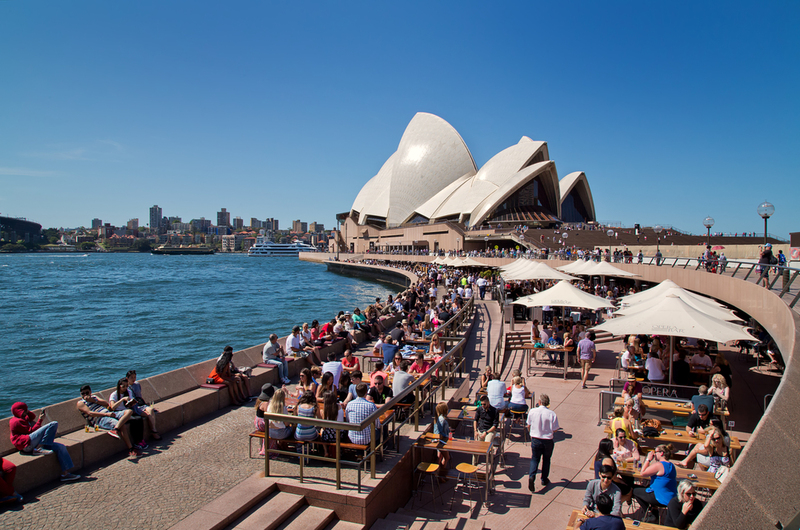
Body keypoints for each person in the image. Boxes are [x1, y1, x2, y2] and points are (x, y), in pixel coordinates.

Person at [9, 402, 80, 482]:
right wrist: (40, 420)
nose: (26, 412)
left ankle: (65, 474)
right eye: (24, 410)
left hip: (34, 443)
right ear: (19, 411)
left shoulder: (24, 418)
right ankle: (39, 449)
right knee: (53, 424)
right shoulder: (15, 421)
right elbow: (31, 431)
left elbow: (32, 417)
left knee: (61, 447)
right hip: (27, 445)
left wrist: (27, 411)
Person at [76, 385, 138, 458]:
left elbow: (106, 404)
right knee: (122, 425)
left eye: (87, 393)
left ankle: (115, 429)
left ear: (90, 392)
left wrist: (94, 401)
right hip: (101, 419)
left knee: (129, 411)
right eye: (83, 394)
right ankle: (131, 449)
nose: (85, 395)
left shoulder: (94, 397)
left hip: (110, 414)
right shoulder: (81, 403)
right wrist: (106, 414)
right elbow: (90, 413)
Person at [633, 444, 678, 522]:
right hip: (670, 497)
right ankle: (654, 510)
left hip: (659, 497)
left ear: (661, 453)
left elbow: (642, 473)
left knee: (635, 491)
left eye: (655, 452)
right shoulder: (671, 465)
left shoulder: (659, 465)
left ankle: (651, 513)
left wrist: (648, 459)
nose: (654, 454)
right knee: (646, 488)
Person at [526, 394, 559, 492]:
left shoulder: (532, 411)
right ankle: (544, 479)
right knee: (546, 460)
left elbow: (528, 424)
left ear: (539, 402)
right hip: (548, 441)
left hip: (536, 439)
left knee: (535, 459)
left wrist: (531, 434)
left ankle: (532, 476)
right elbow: (555, 429)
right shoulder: (552, 414)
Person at [109, 378, 147, 450]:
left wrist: (131, 403)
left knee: (139, 419)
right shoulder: (114, 394)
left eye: (126, 386)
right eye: (123, 386)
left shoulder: (128, 392)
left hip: (127, 411)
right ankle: (136, 441)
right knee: (134, 421)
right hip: (118, 412)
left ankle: (140, 440)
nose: (125, 388)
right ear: (119, 386)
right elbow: (112, 407)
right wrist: (122, 400)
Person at [125, 370, 161, 440]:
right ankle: (154, 432)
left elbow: (139, 396)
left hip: (141, 404)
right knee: (149, 415)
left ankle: (153, 430)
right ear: (127, 378)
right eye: (131, 377)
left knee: (150, 410)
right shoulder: (126, 388)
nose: (133, 379)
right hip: (135, 407)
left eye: (134, 377)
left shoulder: (137, 384)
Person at [474, 395, 498, 465]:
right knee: (476, 448)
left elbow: (495, 426)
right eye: (481, 404)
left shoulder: (494, 411)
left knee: (487, 447)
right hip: (480, 430)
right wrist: (475, 431)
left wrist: (486, 432)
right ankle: (474, 464)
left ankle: (490, 463)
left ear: (488, 402)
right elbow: (475, 420)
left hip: (489, 431)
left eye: (484, 404)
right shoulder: (480, 409)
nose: (483, 406)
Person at [432, 402, 451, 480]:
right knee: (447, 457)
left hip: (437, 440)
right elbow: (440, 432)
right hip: (441, 441)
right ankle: (441, 475)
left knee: (439, 457)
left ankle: (439, 474)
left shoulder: (438, 418)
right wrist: (447, 435)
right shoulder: (442, 419)